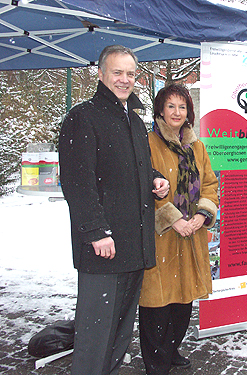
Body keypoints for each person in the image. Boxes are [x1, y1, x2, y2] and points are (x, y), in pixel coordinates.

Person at [58, 45, 169, 375]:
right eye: (117, 72)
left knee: (119, 333)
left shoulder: (134, 121)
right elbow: (78, 183)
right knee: (95, 336)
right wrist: (96, 232)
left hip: (134, 246)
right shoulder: (82, 117)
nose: (124, 80)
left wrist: (156, 180)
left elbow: (135, 168)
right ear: (101, 73)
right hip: (104, 248)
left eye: (130, 73)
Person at [138, 84, 219, 375]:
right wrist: (174, 219)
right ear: (160, 109)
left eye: (182, 107)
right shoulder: (147, 142)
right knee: (157, 301)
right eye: (170, 106)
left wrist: (202, 215)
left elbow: (210, 183)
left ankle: (172, 349)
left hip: (192, 233)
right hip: (161, 235)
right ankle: (156, 361)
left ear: (189, 112)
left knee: (184, 297)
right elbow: (143, 187)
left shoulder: (196, 146)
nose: (176, 112)